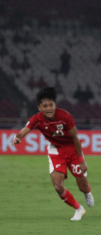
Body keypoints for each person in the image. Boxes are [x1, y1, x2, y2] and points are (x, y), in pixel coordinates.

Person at [13, 87, 94, 221]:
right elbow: (25, 129)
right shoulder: (37, 119)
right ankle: (79, 209)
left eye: (51, 105)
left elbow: (75, 138)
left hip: (72, 149)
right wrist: (18, 137)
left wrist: (81, 160)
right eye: (45, 106)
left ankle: (87, 192)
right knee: (58, 186)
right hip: (55, 150)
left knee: (82, 186)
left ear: (55, 105)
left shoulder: (65, 116)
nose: (49, 108)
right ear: (39, 107)